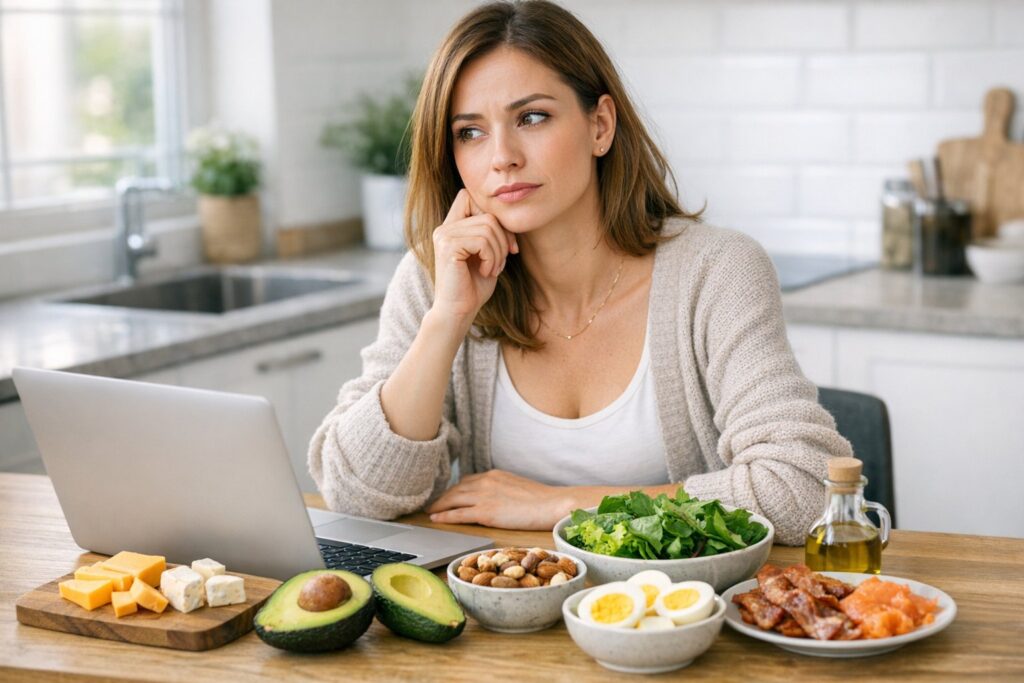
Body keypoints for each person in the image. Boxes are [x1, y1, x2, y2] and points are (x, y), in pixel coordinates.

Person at [307, 0, 852, 546]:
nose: (502, 157)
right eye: (470, 132)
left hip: (681, 614)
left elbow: (804, 489)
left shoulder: (716, 273)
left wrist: (563, 505)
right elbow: (358, 494)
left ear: (600, 126)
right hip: (513, 620)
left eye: (532, 118)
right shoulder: (436, 278)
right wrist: (447, 318)